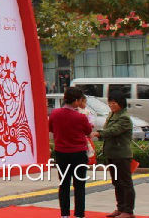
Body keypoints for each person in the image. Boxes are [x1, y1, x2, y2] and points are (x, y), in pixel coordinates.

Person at [48, 86, 92, 218]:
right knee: (79, 185)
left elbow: (51, 128)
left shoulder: (55, 113)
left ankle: (64, 214)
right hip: (78, 153)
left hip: (61, 152)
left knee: (64, 184)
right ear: (77, 101)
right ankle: (79, 214)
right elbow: (88, 131)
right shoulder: (81, 117)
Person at [93, 89, 135, 218]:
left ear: (121, 103)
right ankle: (120, 208)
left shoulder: (124, 118)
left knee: (125, 183)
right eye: (110, 103)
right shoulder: (112, 115)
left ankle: (128, 211)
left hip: (121, 155)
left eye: (114, 103)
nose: (111, 105)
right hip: (112, 154)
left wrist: (98, 133)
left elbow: (113, 131)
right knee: (116, 182)